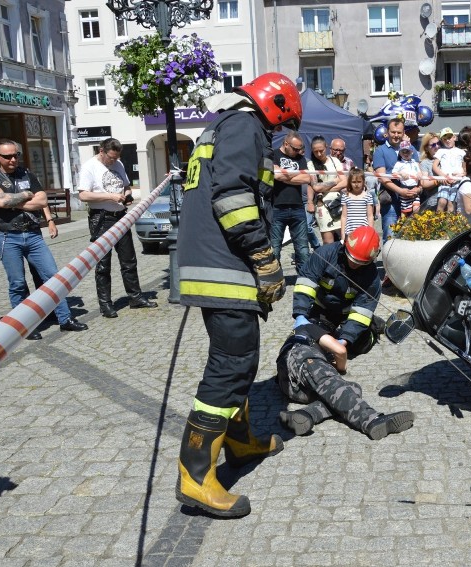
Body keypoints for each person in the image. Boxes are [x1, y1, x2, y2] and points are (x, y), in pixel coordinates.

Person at [175, 73, 301, 518]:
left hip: (213, 264)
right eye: (283, 125)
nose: (279, 134)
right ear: (279, 105)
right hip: (223, 267)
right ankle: (195, 474)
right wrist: (265, 258)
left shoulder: (224, 125)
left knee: (241, 359)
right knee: (229, 367)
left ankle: (240, 443)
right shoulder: (246, 127)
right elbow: (233, 199)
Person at [0, 139, 88, 340]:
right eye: (8, 156)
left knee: (53, 277)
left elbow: (41, 200)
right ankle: (25, 326)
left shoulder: (27, 174)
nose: (13, 159)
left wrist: (13, 201)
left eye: (16, 155)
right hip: (7, 236)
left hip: (32, 234)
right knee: (18, 284)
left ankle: (64, 318)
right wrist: (26, 195)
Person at [276, 320, 414, 440]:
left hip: (290, 386)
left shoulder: (296, 336)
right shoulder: (308, 328)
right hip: (300, 356)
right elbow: (340, 351)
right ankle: (371, 420)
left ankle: (307, 414)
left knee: (352, 388)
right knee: (334, 383)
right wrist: (340, 368)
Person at [76, 137, 158, 318]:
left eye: (116, 158)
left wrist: (127, 194)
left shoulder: (118, 164)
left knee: (129, 260)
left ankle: (135, 297)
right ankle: (105, 304)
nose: (113, 161)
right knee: (103, 263)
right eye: (110, 158)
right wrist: (109, 197)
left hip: (121, 216)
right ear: (101, 151)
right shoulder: (90, 167)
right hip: (101, 218)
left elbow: (126, 186)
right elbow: (83, 195)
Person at [293, 225, 382, 355]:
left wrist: (345, 340)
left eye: (360, 262)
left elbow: (362, 310)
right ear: (345, 245)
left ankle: (372, 327)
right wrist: (300, 315)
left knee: (359, 344)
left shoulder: (372, 277)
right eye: (351, 258)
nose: (354, 264)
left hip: (348, 313)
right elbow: (305, 284)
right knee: (312, 341)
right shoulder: (325, 254)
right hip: (322, 309)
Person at [373, 117, 420, 242]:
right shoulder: (380, 151)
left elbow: (419, 174)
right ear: (387, 132)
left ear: (403, 133)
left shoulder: (412, 149)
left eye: (399, 132)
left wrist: (418, 188)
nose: (396, 135)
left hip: (411, 199)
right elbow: (383, 178)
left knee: (410, 236)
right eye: (393, 132)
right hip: (391, 201)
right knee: (390, 237)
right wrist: (400, 191)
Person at [272, 131, 313, 269]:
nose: (298, 152)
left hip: (297, 207)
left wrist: (285, 174)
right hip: (277, 207)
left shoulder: (300, 158)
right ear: (285, 144)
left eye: (300, 149)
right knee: (275, 248)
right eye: (295, 149)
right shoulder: (273, 155)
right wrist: (295, 174)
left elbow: (307, 178)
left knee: (303, 249)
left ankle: (305, 278)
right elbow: (276, 176)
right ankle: (275, 280)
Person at [309, 136, 346, 245]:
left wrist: (325, 189)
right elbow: (315, 187)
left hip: (338, 203)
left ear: (326, 147)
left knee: (344, 238)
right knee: (328, 241)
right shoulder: (310, 165)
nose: (319, 154)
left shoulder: (335, 161)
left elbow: (344, 181)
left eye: (321, 151)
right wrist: (335, 181)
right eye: (316, 152)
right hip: (322, 206)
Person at [433, 127, 466, 212]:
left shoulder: (462, 152)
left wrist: (461, 175)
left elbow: (465, 168)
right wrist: (443, 176)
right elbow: (435, 166)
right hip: (445, 180)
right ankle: (437, 223)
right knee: (442, 202)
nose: (448, 140)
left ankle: (449, 224)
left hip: (457, 180)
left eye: (449, 138)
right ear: (442, 140)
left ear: (454, 137)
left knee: (452, 204)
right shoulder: (440, 151)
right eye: (445, 139)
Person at [340, 167, 374, 239]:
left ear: (363, 182)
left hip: (364, 232)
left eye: (359, 182)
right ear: (350, 182)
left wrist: (371, 232)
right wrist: (343, 234)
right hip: (349, 232)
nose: (356, 184)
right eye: (354, 182)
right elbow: (344, 216)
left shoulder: (368, 196)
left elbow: (370, 216)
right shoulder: (345, 196)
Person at [391, 140, 422, 215]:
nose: (405, 153)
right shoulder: (399, 163)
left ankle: (413, 223)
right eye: (403, 152)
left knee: (416, 208)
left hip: (415, 188)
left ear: (411, 152)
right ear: (400, 153)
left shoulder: (414, 162)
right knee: (405, 211)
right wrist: (401, 173)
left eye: (407, 151)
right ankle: (403, 224)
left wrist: (419, 174)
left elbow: (419, 171)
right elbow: (393, 173)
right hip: (405, 188)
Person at [418, 132, 441, 210]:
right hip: (433, 204)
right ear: (426, 148)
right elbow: (424, 183)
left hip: (450, 201)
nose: (437, 146)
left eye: (438, 143)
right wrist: (439, 180)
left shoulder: (445, 159)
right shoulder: (425, 163)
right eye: (433, 145)